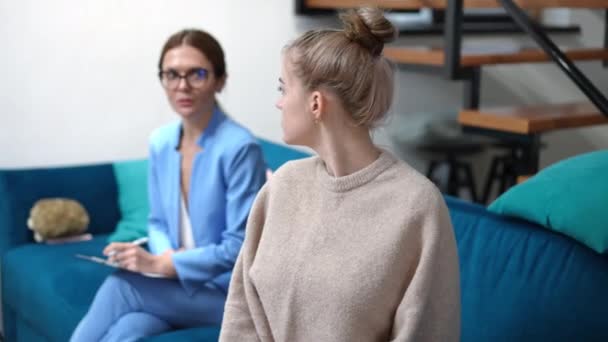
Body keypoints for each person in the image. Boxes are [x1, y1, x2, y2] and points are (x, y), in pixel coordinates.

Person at [219, 7, 460, 342]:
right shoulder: (283, 186)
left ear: (316, 103)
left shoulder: (417, 206)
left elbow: (428, 332)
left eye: (283, 89)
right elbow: (241, 313)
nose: (279, 103)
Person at [71, 28, 267, 342]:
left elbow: (239, 248)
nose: (182, 86)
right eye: (171, 75)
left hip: (227, 294)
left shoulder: (240, 148)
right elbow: (158, 222)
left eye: (197, 74)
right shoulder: (161, 142)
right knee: (127, 330)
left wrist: (165, 263)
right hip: (175, 286)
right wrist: (162, 261)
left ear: (220, 79)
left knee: (123, 285)